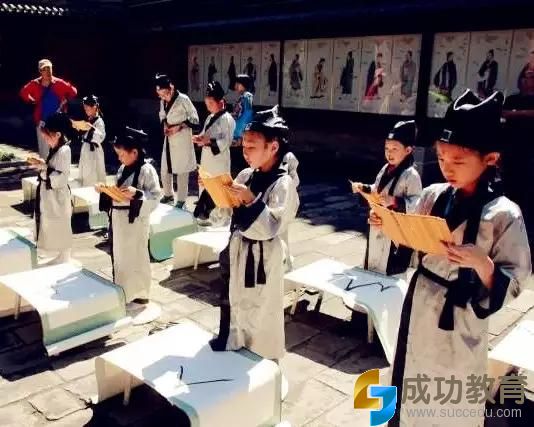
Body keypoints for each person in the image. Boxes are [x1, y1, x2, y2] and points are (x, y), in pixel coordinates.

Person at [388, 90, 531, 427]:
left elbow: (516, 277)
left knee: (454, 387)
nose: (447, 168)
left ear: (490, 158)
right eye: (441, 158)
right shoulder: (433, 195)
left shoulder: (504, 215)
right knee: (414, 375)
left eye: (458, 160)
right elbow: (411, 237)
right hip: (422, 301)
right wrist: (390, 224)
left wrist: (483, 264)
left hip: (462, 314)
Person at [209, 106, 299, 362]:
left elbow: (272, 226)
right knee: (235, 298)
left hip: (264, 257)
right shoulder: (246, 175)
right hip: (239, 247)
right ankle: (235, 341)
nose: (245, 152)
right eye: (244, 146)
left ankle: (263, 355)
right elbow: (225, 214)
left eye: (252, 147)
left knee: (261, 308)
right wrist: (215, 192)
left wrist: (250, 201)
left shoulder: (283, 183)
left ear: (273, 147)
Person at [96, 127, 162, 308]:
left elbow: (156, 196)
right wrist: (105, 191)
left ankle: (140, 293)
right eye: (118, 155)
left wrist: (138, 194)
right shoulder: (122, 168)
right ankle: (123, 290)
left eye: (122, 154)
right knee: (121, 256)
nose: (119, 159)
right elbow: (118, 190)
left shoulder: (147, 170)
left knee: (137, 256)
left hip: (135, 222)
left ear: (134, 152)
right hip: (119, 220)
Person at [352, 120, 422, 275]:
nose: (389, 153)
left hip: (396, 234)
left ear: (408, 150)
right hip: (378, 223)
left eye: (394, 149)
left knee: (392, 272)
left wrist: (395, 201)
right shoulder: (385, 169)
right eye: (387, 148)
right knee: (373, 263)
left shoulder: (411, 175)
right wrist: (363, 188)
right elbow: (377, 189)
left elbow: (417, 204)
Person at [31, 112, 74, 265]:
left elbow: (61, 176)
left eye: (47, 136)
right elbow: (52, 168)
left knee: (61, 223)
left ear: (57, 135)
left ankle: (65, 255)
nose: (45, 139)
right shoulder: (56, 148)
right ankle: (60, 254)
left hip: (58, 195)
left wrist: (44, 170)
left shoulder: (64, 150)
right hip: (50, 194)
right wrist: (43, 165)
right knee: (51, 222)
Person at [193, 81, 236, 224]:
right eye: (207, 103)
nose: (208, 106)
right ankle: (205, 218)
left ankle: (223, 221)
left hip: (219, 162)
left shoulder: (227, 119)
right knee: (205, 186)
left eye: (211, 103)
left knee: (220, 191)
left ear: (221, 102)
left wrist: (207, 141)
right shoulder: (210, 117)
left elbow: (226, 142)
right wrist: (199, 138)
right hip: (207, 160)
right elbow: (204, 134)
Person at [155, 73, 199, 208]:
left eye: (164, 94)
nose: (162, 97)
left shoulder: (183, 99)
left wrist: (179, 126)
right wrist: (165, 125)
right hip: (169, 139)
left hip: (182, 138)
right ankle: (168, 195)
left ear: (171, 88)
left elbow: (195, 119)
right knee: (165, 169)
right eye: (160, 95)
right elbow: (162, 115)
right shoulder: (163, 101)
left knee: (182, 171)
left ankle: (181, 200)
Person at [20, 58, 78, 159]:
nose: (48, 71)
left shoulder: (58, 82)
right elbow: (23, 92)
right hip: (42, 121)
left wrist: (65, 99)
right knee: (44, 153)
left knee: (58, 150)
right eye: (44, 69)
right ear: (40, 71)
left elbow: (73, 91)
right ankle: (44, 167)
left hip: (57, 122)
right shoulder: (35, 83)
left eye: (49, 68)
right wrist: (32, 100)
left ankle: (57, 167)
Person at [78, 95, 106, 186]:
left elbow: (101, 136)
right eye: (84, 108)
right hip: (86, 149)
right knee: (85, 172)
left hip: (94, 151)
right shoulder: (89, 119)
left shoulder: (99, 121)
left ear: (94, 107)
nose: (85, 110)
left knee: (93, 174)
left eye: (87, 108)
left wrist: (91, 128)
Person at [232, 74, 254, 144]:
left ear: (244, 84)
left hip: (239, 132)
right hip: (240, 131)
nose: (235, 86)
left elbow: (247, 113)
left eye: (238, 84)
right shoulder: (245, 96)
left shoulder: (246, 96)